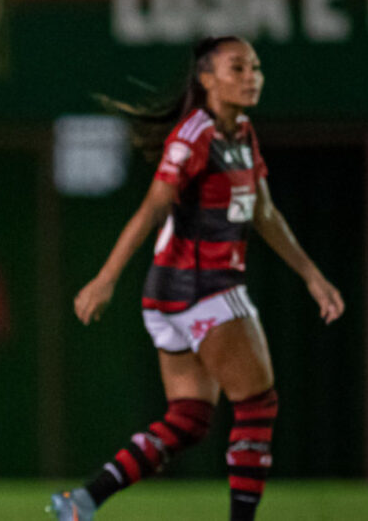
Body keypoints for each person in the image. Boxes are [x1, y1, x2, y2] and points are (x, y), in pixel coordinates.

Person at [48, 36, 344, 521]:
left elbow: (264, 213)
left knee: (188, 419)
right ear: (207, 79)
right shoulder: (194, 136)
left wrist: (312, 275)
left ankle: (83, 500)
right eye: (238, 68)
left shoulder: (241, 131)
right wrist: (105, 278)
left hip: (168, 298)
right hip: (204, 290)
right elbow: (152, 208)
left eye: (255, 67)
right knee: (258, 406)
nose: (251, 77)